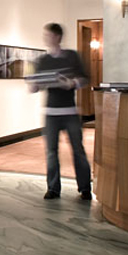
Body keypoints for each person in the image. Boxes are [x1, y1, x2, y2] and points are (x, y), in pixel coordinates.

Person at [28, 23, 92, 201]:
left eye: (48, 35)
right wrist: (33, 86)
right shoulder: (42, 60)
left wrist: (72, 83)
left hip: (70, 112)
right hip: (51, 113)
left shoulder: (72, 56)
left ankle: (85, 188)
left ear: (57, 37)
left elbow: (85, 78)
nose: (45, 38)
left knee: (78, 150)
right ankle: (53, 189)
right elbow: (36, 86)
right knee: (51, 151)